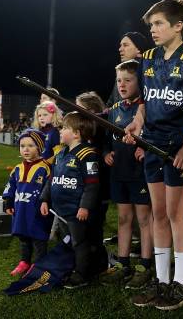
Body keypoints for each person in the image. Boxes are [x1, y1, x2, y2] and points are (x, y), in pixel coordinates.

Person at [124, 0, 183, 310]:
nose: (154, 30)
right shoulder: (148, 58)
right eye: (151, 25)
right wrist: (135, 123)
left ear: (178, 25)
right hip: (151, 145)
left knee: (176, 214)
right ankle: (162, 281)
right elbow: (145, 103)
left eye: (159, 23)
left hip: (178, 145)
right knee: (158, 214)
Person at [100, 61, 154, 289]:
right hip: (119, 173)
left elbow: (154, 135)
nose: (122, 84)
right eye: (119, 80)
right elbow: (105, 139)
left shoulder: (146, 110)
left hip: (139, 174)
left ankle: (145, 264)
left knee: (143, 220)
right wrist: (105, 153)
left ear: (139, 82)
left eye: (128, 80)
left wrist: (147, 147)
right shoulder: (113, 110)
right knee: (123, 219)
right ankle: (123, 264)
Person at [40, 112, 101, 289]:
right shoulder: (60, 154)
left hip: (76, 211)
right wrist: (44, 199)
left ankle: (83, 274)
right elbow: (51, 180)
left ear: (76, 133)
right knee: (67, 240)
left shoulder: (87, 155)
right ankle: (73, 267)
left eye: (65, 128)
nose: (60, 130)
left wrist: (84, 207)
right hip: (60, 210)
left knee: (79, 242)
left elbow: (92, 186)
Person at [2, 129, 52, 276]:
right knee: (23, 237)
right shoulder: (17, 168)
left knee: (38, 238)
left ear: (40, 148)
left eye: (30, 145)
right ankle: (24, 261)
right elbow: (10, 186)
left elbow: (49, 189)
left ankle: (39, 265)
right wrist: (9, 202)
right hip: (21, 210)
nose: (26, 149)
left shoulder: (45, 168)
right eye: (22, 146)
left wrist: (46, 201)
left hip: (37, 211)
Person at [74, 91, 111, 275]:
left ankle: (101, 263)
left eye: (78, 108)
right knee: (89, 228)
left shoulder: (100, 128)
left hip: (99, 188)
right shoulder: (85, 128)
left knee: (95, 227)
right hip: (88, 189)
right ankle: (91, 261)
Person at [107, 32, 150, 107]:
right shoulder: (122, 70)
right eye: (120, 46)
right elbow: (111, 103)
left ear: (139, 49)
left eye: (125, 45)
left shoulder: (148, 72)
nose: (120, 49)